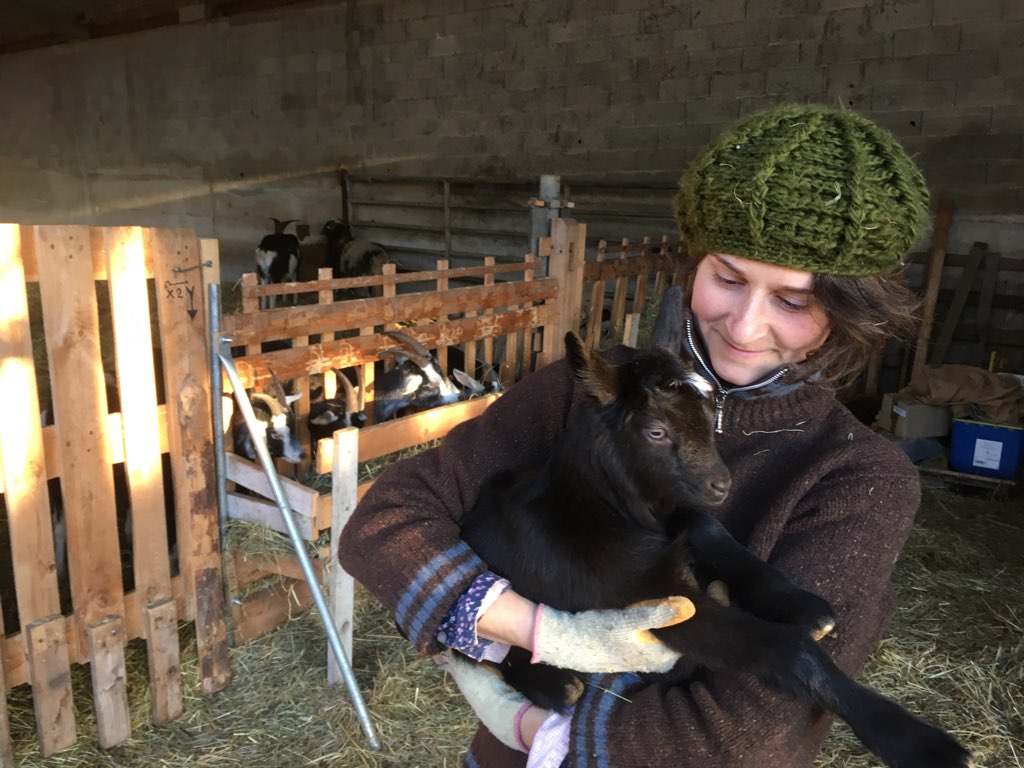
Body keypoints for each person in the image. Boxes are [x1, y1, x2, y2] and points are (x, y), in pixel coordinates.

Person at [338, 102, 930, 768]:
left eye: (793, 301)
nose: (743, 326)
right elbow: (385, 524)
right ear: (693, 266)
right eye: (727, 278)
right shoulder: (593, 390)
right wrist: (540, 631)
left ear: (851, 311)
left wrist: (536, 731)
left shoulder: (854, 476)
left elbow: (744, 732)